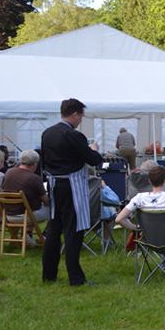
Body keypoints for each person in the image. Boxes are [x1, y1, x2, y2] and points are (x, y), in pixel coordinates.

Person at [40, 98, 104, 286]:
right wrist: (93, 150)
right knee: (74, 230)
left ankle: (49, 274)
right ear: (75, 114)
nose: (81, 120)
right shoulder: (74, 135)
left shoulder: (47, 133)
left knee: (54, 229)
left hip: (54, 184)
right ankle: (76, 278)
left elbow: (43, 160)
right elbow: (93, 159)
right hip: (72, 186)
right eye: (81, 116)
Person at [1, 149, 49, 246]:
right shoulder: (34, 178)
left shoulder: (9, 172)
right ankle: (46, 235)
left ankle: (27, 235)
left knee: (31, 205)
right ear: (35, 164)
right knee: (56, 210)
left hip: (8, 214)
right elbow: (46, 201)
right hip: (27, 215)